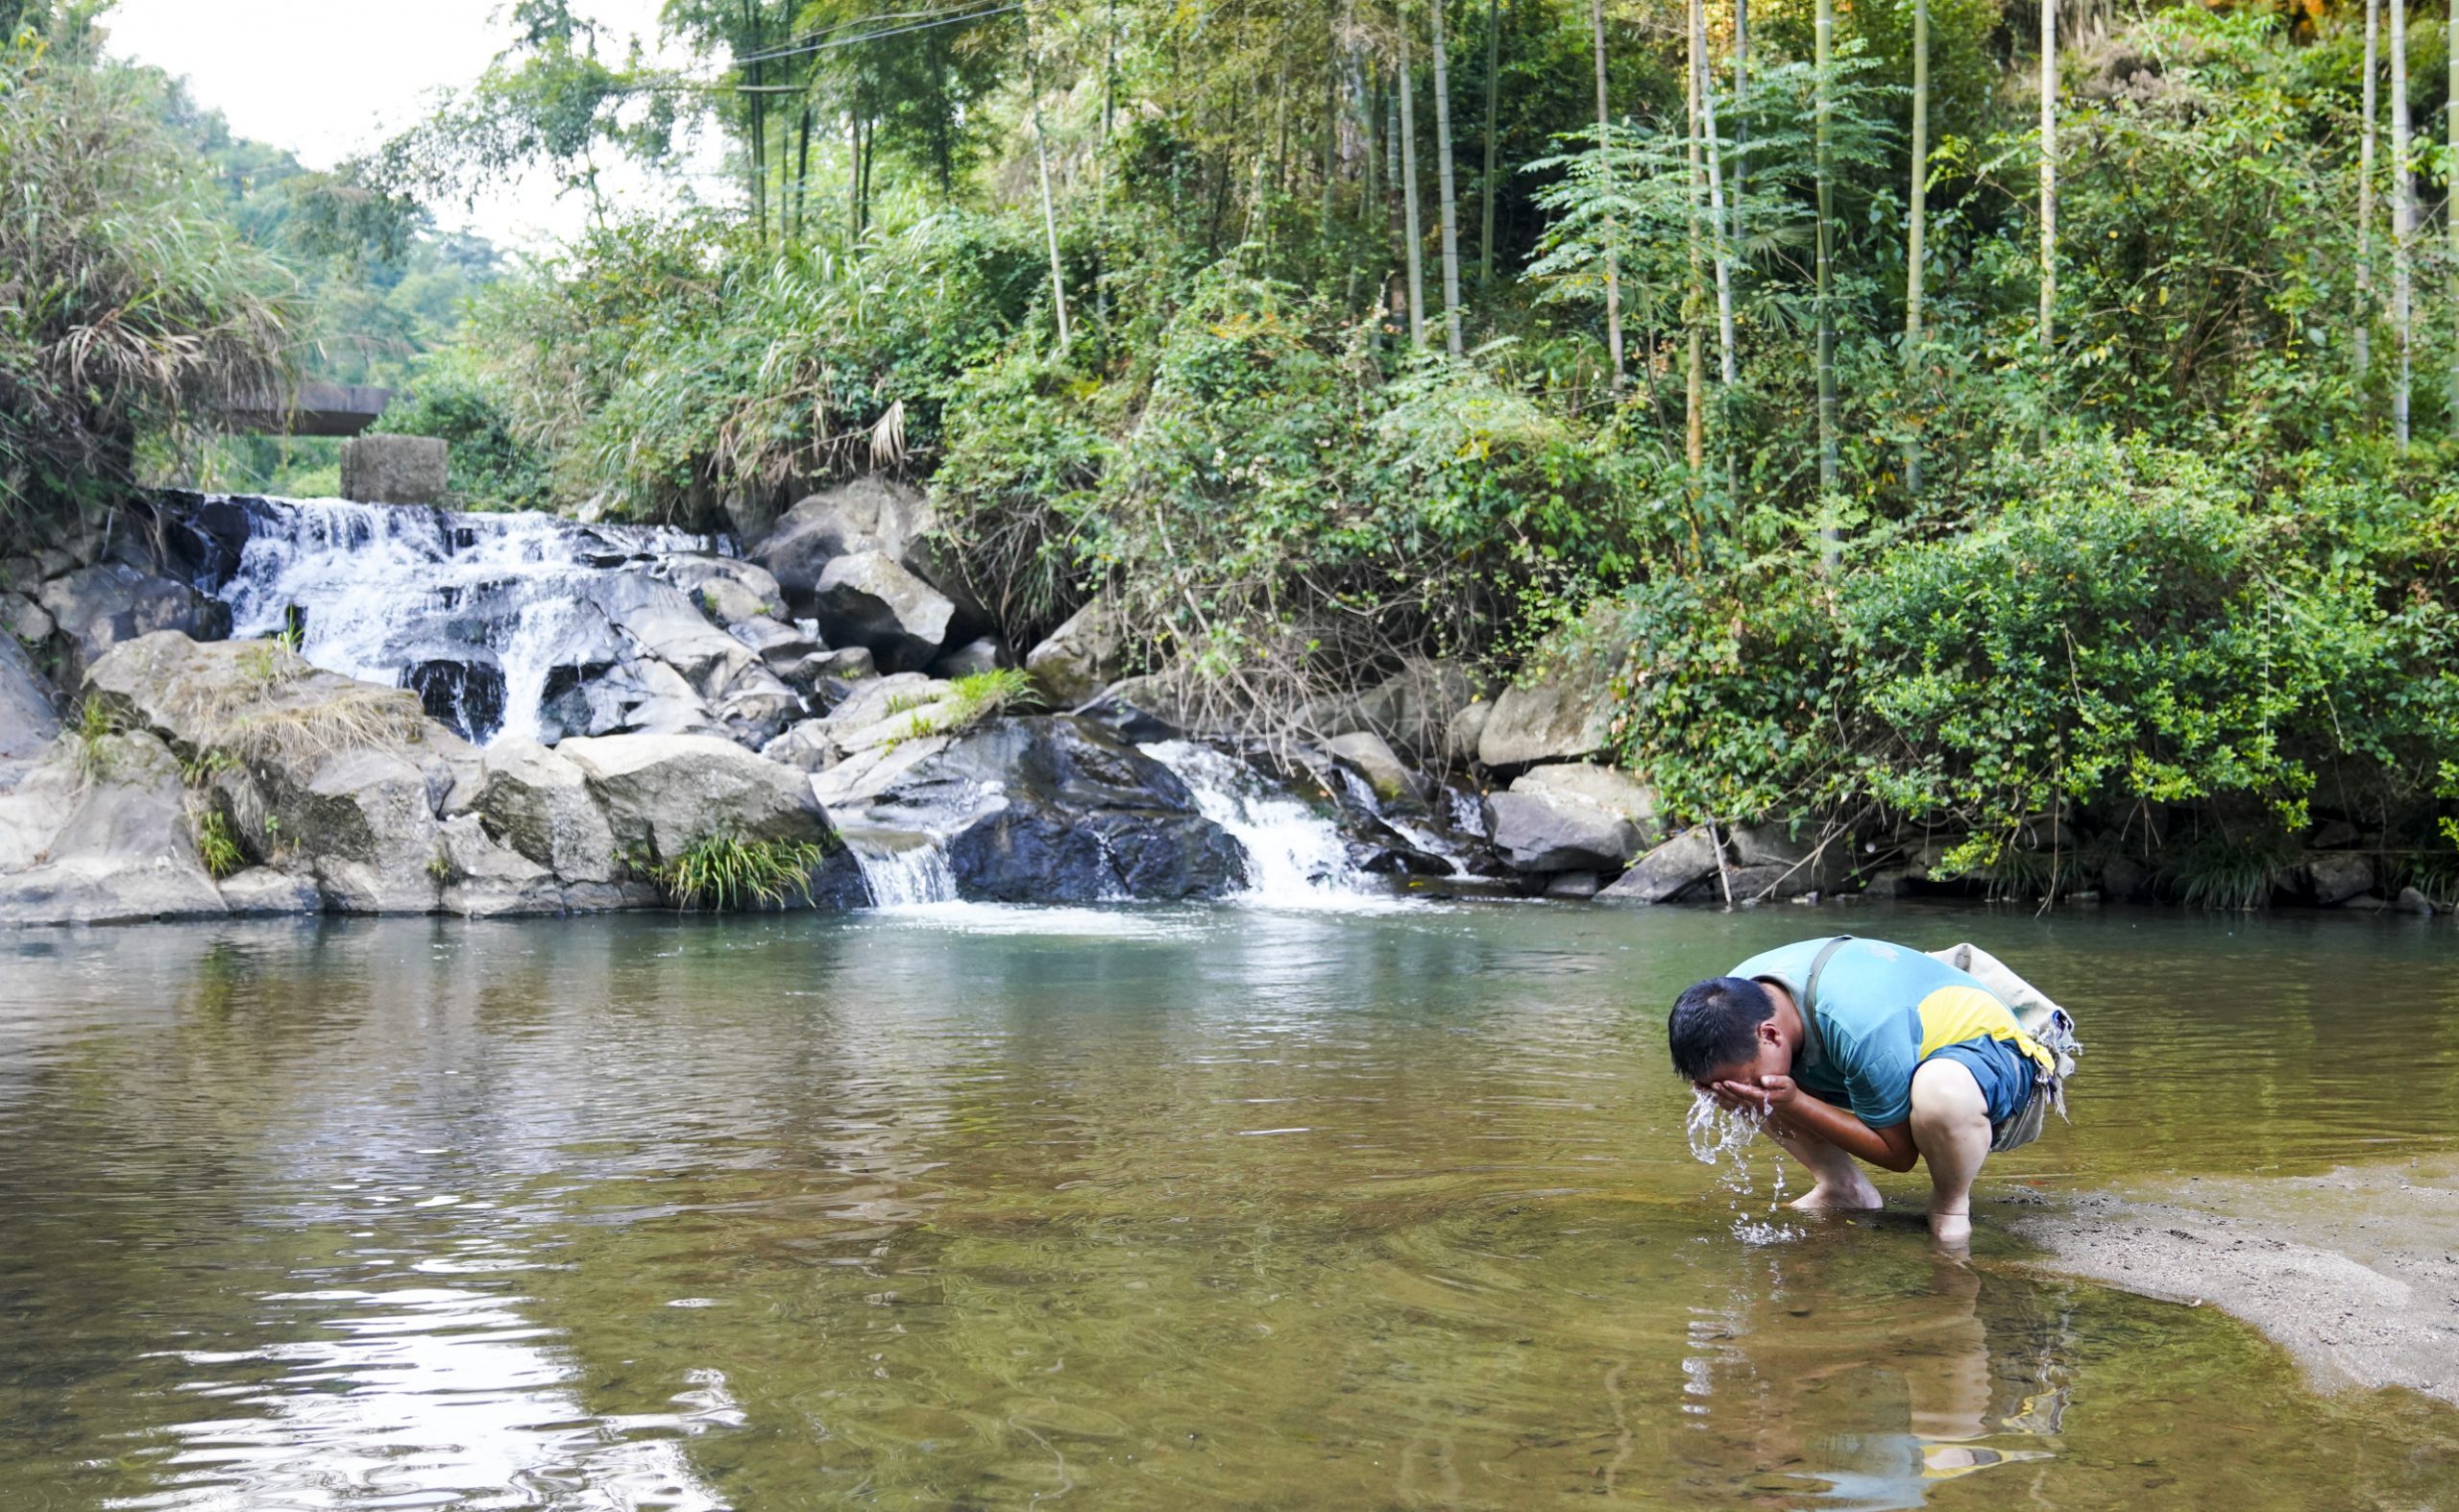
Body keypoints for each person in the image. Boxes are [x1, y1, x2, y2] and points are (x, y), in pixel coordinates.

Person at [1668, 935, 2067, 1246]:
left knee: (1940, 1094)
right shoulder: (1735, 1002)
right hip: (1892, 1048)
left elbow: (1898, 1155)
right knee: (1750, 1088)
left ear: (1770, 1035)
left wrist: (1795, 1101)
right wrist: (1741, 1093)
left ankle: (1949, 1205)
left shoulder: (1860, 1025)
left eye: (1747, 1079)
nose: (1742, 1092)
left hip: (1997, 1055)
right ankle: (1843, 1189)